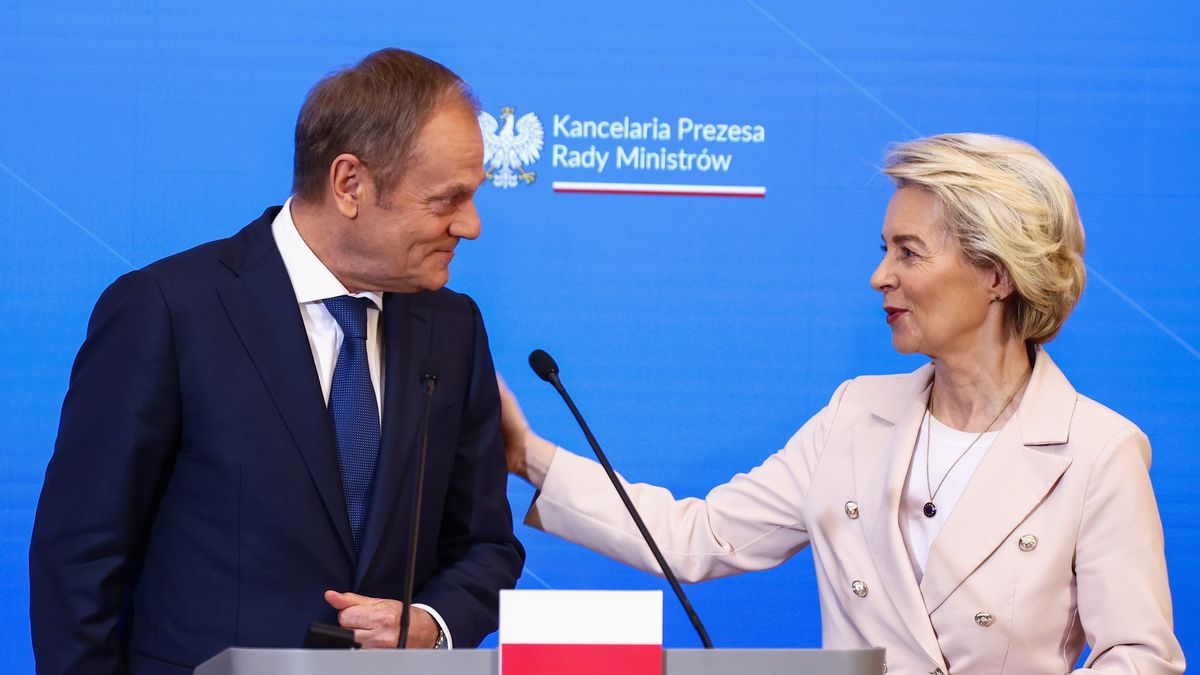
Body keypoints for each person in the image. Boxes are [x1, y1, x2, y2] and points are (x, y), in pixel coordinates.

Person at [501, 134, 1184, 674]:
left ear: (996, 274)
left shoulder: (1097, 449)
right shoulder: (854, 414)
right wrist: (528, 456)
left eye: (908, 252)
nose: (879, 275)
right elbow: (697, 537)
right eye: (885, 248)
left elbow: (1140, 657)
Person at [29, 48, 524, 674]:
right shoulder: (169, 310)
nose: (472, 226)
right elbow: (81, 554)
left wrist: (432, 623)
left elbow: (484, 544)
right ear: (350, 184)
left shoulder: (453, 329)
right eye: (446, 200)